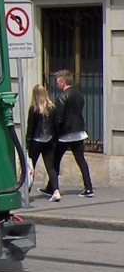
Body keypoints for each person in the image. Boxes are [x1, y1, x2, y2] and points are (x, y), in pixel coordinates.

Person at [52, 69, 93, 198]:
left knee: (54, 160)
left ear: (63, 82)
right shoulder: (78, 95)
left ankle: (52, 187)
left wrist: (55, 133)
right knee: (81, 160)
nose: (56, 85)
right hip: (79, 131)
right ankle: (88, 187)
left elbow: (59, 117)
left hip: (66, 134)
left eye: (57, 82)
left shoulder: (62, 97)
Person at [26, 84, 60, 201]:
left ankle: (27, 191)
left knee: (30, 167)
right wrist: (55, 140)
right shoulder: (51, 107)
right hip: (49, 140)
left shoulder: (34, 109)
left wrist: (27, 144)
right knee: (50, 167)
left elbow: (30, 128)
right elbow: (56, 125)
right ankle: (56, 191)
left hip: (36, 141)